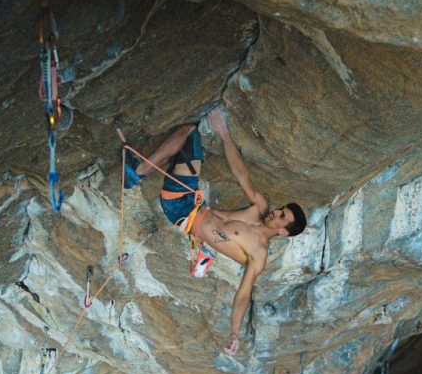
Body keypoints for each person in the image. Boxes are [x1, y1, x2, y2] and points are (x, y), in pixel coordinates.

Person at [124, 107, 307, 355]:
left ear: (283, 232)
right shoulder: (260, 208)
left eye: (282, 216)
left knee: (188, 133)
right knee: (190, 137)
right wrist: (223, 133)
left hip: (181, 209)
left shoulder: (259, 255)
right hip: (192, 200)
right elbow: (241, 175)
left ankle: (135, 174)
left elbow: (243, 295)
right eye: (281, 209)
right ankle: (138, 171)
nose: (276, 211)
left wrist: (234, 333)